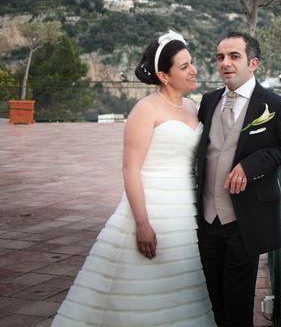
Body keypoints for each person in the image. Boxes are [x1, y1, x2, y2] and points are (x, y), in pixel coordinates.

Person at [52, 30, 216, 327]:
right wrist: (142, 223)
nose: (193, 70)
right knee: (139, 280)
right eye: (184, 66)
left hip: (184, 209)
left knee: (180, 284)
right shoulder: (146, 109)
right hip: (151, 203)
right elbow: (130, 168)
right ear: (164, 76)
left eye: (192, 63)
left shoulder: (194, 108)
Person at [196, 31, 281, 326]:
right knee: (213, 298)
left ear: (253, 63)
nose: (225, 63)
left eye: (234, 56)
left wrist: (254, 163)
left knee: (238, 303)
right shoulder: (208, 102)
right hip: (206, 219)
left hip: (243, 221)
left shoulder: (275, 106)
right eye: (220, 57)